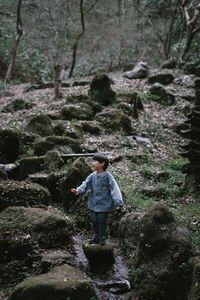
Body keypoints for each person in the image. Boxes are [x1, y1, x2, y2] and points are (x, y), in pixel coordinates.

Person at [71, 154, 123, 246]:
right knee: (94, 220)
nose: (93, 163)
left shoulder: (108, 176)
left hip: (105, 203)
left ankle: (102, 237)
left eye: (95, 161)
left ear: (102, 163)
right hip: (93, 202)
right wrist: (78, 190)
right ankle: (96, 237)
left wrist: (118, 201)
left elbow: (114, 187)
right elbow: (86, 184)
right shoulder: (92, 175)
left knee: (102, 221)